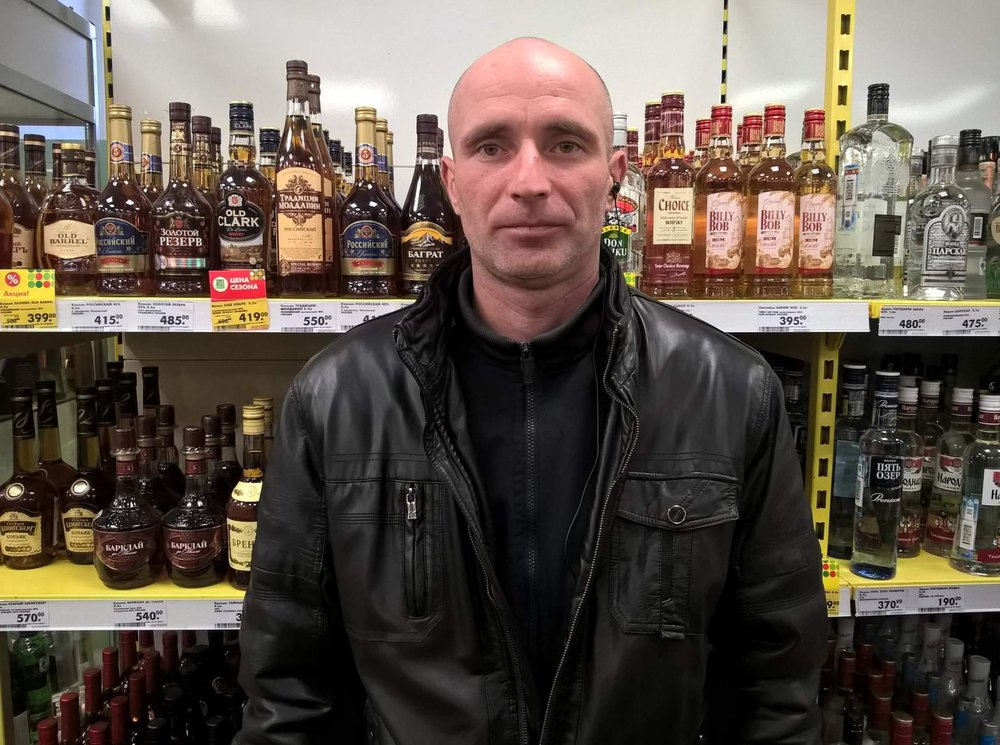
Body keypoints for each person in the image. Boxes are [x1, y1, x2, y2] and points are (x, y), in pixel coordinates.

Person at [237, 37, 827, 745]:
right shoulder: (334, 397)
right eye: (491, 147)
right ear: (452, 183)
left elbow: (777, 688)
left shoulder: (732, 391)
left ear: (614, 177)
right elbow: (287, 692)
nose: (529, 181)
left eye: (565, 144)